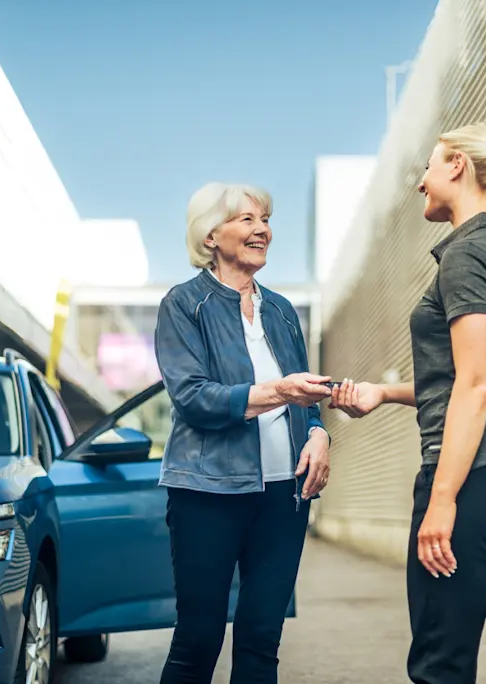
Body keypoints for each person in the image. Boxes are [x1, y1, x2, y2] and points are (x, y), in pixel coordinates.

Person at [331, 123, 486, 684]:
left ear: (457, 165)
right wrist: (386, 392)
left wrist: (443, 497)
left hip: (477, 476)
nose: (421, 182)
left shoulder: (467, 253)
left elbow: (478, 384)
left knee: (441, 664)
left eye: (430, 165)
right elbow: (474, 376)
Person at [154, 181, 333, 683]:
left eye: (266, 220)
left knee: (260, 641)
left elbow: (307, 401)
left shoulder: (281, 311)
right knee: (198, 640)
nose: (262, 231)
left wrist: (318, 435)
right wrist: (278, 391)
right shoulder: (184, 305)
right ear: (211, 235)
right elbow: (193, 398)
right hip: (207, 493)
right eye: (247, 220)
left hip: (283, 497)